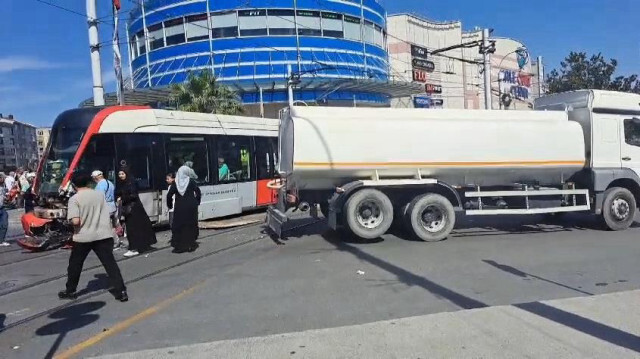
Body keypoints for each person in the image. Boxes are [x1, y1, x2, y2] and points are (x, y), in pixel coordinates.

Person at [58, 172, 128, 302]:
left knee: (75, 264)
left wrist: (67, 221)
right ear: (88, 183)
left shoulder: (74, 199)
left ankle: (71, 290)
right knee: (110, 264)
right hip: (103, 235)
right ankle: (121, 291)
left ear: (73, 185)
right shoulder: (99, 195)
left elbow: (75, 222)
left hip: (84, 237)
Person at [116, 167, 157, 257]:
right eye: (119, 174)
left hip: (134, 209)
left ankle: (134, 248)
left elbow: (133, 195)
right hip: (131, 209)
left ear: (127, 173)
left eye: (122, 174)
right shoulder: (123, 183)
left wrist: (122, 198)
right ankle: (141, 245)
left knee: (133, 228)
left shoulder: (131, 182)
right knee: (135, 227)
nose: (120, 176)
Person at [167, 165, 201, 253]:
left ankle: (180, 246)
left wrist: (170, 205)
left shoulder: (175, 183)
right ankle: (191, 245)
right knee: (191, 225)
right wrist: (197, 202)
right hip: (191, 207)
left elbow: (169, 195)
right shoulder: (191, 181)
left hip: (180, 208)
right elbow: (198, 191)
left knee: (180, 226)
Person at [92, 170, 122, 248]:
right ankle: (115, 241)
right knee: (112, 226)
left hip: (105, 207)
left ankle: (113, 242)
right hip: (112, 206)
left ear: (96, 177)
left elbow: (99, 197)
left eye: (93, 178)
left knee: (107, 226)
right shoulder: (109, 183)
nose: (93, 180)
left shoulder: (100, 185)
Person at [0, 174, 9, 247]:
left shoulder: (2, 187)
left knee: (4, 224)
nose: (3, 179)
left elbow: (3, 197)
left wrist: (6, 199)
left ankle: (1, 240)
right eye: (1, 178)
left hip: (2, 208)